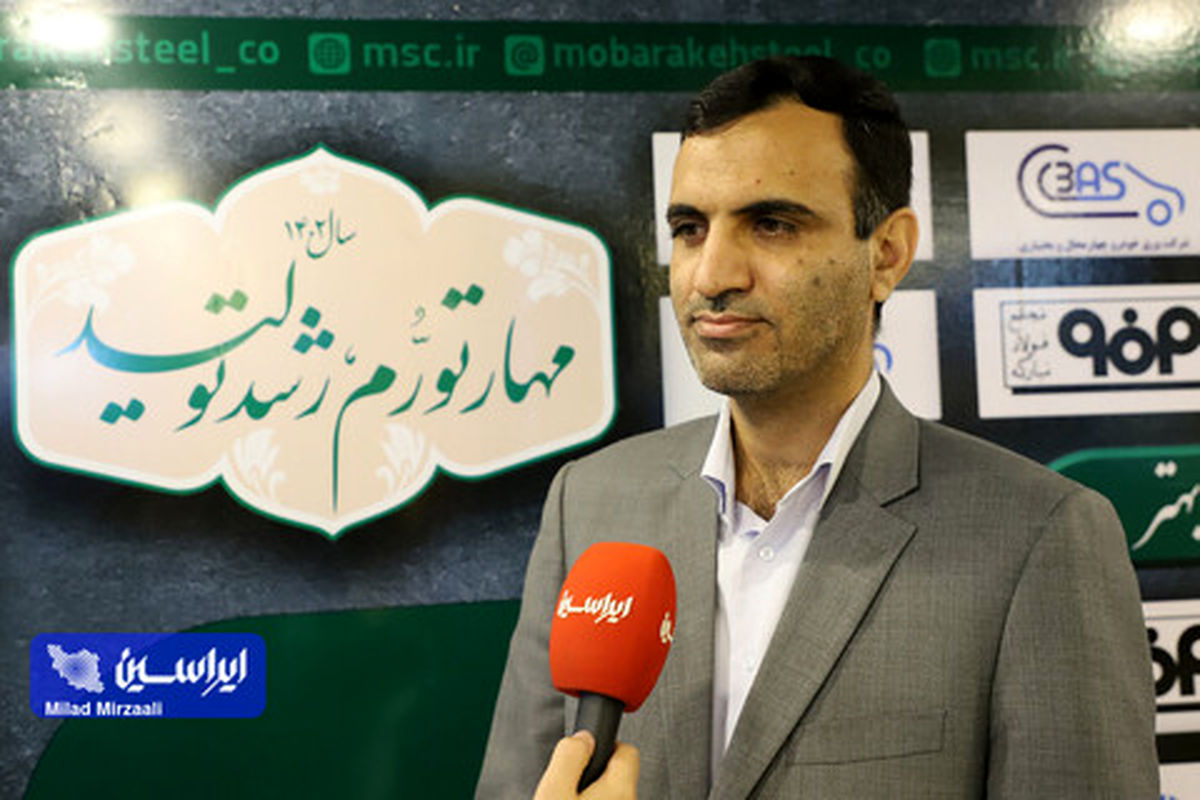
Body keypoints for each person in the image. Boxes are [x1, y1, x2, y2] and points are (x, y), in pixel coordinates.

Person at [477, 55, 1158, 799]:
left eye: (771, 224)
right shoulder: (591, 503)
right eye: (689, 228)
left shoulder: (1041, 537)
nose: (712, 276)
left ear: (887, 254)